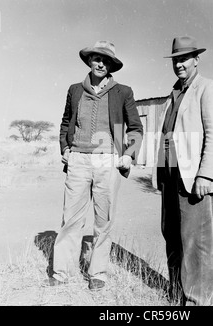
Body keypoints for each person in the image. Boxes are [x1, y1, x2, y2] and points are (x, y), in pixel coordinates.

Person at [46, 41, 143, 290]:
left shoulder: (123, 92)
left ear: (111, 66)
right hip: (78, 159)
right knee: (71, 219)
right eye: (96, 59)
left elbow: (134, 128)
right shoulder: (75, 90)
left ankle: (97, 272)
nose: (101, 64)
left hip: (108, 160)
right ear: (89, 61)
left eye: (106, 61)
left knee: (104, 220)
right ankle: (61, 272)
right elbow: (66, 122)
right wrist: (65, 148)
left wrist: (128, 154)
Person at [152, 36, 213, 306]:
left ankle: (197, 300)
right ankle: (177, 295)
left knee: (197, 244)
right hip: (171, 178)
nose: (179, 64)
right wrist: (161, 174)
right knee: (172, 237)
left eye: (184, 58)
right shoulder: (173, 94)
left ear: (197, 59)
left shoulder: (208, 88)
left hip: (194, 179)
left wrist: (205, 175)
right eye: (175, 59)